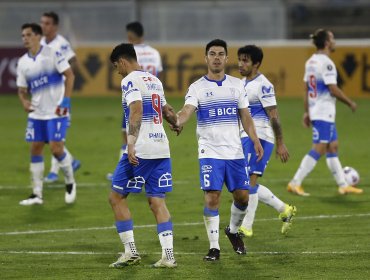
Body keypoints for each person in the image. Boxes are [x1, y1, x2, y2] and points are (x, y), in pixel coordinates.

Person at [174, 39, 263, 261]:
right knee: (212, 197)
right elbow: (187, 110)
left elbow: (246, 117)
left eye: (220, 54)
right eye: (212, 53)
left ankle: (232, 231)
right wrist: (178, 120)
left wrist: (256, 140)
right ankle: (214, 248)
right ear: (205, 58)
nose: (216, 57)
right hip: (210, 151)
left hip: (234, 152)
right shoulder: (197, 87)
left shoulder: (236, 85)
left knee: (243, 197)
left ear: (226, 58)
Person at [108, 43, 180, 268]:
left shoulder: (129, 80)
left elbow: (136, 110)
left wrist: (130, 144)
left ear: (122, 61)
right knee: (157, 201)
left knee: (116, 197)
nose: (117, 71)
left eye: (116, 66)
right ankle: (168, 256)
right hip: (161, 148)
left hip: (142, 149)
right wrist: (174, 123)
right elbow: (166, 109)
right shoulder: (153, 80)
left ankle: (130, 252)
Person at [287, 29, 363, 196]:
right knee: (320, 148)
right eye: (333, 38)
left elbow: (306, 89)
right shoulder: (327, 63)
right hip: (323, 112)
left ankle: (343, 185)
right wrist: (350, 102)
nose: (334, 41)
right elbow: (333, 89)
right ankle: (295, 182)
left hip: (316, 110)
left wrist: (307, 112)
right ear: (327, 43)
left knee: (332, 147)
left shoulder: (311, 62)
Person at [236, 45, 297, 237]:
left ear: (257, 64)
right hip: (245, 137)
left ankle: (247, 225)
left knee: (248, 182)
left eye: (245, 60)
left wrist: (280, 142)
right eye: (240, 59)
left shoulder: (263, 85)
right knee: (245, 183)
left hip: (261, 137)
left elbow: (274, 115)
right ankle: (284, 209)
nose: (241, 64)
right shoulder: (241, 83)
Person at [16, 23, 77, 205]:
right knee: (35, 148)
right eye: (23, 36)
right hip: (36, 113)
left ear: (37, 36)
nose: (24, 38)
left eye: (28, 35)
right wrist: (24, 101)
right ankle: (36, 194)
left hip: (57, 111)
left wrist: (65, 100)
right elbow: (21, 89)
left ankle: (70, 182)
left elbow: (70, 75)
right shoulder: (22, 62)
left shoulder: (52, 53)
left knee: (56, 149)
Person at [107, 21, 163, 181]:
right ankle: (144, 172)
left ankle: (125, 172)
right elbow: (158, 75)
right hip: (153, 100)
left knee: (128, 135)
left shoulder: (130, 53)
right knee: (149, 135)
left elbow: (131, 75)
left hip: (135, 98)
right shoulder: (155, 53)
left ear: (130, 35)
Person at [40, 11, 81, 183]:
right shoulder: (41, 42)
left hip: (60, 95)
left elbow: (74, 62)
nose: (44, 26)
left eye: (47, 23)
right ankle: (70, 162)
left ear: (55, 26)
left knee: (55, 137)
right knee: (50, 136)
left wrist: (64, 76)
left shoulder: (61, 43)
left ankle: (54, 172)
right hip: (45, 96)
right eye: (42, 22)